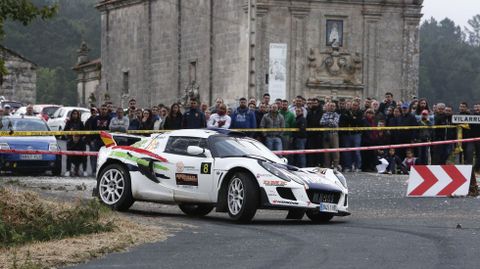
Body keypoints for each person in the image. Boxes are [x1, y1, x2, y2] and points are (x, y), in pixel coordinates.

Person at [320, 102, 341, 170]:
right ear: (328, 107)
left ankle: (335, 165)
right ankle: (327, 166)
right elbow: (321, 122)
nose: (331, 107)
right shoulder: (324, 114)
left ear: (335, 107)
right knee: (326, 152)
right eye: (330, 106)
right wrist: (330, 121)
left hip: (334, 134)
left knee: (335, 151)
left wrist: (327, 122)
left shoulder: (336, 115)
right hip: (326, 134)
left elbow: (335, 123)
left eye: (333, 106)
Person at [306, 98, 323, 167]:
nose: (314, 105)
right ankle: (311, 164)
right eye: (313, 103)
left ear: (318, 104)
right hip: (311, 135)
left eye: (315, 103)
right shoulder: (309, 112)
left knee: (319, 151)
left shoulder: (321, 112)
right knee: (311, 150)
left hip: (319, 135)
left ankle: (318, 163)